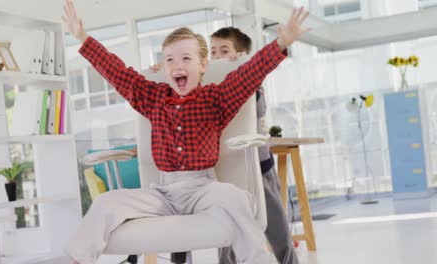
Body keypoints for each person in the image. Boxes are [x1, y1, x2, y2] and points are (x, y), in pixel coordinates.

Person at [61, 0, 310, 263]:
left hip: (202, 187)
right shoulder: (151, 97)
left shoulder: (216, 99)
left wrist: (281, 44)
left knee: (236, 198)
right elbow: (117, 72)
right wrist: (82, 37)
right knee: (105, 203)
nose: (176, 65)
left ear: (203, 65)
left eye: (186, 58)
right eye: (169, 59)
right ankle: (77, 259)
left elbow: (250, 74)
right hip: (162, 192)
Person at [211, 27, 300, 264]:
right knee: (227, 237)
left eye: (224, 50)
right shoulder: (207, 84)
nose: (217, 57)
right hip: (225, 170)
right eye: (212, 52)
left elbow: (259, 108)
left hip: (259, 166)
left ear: (240, 54)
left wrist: (242, 66)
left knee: (277, 229)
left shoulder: (248, 78)